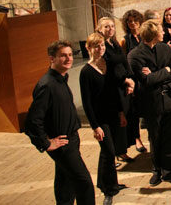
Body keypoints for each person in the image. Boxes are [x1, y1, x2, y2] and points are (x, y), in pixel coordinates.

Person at [25, 40, 95, 205]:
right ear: (52, 59)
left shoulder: (61, 79)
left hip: (70, 139)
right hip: (62, 143)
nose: (68, 59)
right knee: (84, 183)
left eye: (70, 55)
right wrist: (45, 143)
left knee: (65, 182)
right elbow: (32, 121)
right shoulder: (47, 85)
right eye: (63, 55)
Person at [127, 20, 171, 186]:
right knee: (155, 138)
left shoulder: (164, 48)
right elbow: (146, 81)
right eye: (160, 30)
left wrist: (156, 74)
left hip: (169, 99)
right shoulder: (134, 55)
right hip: (151, 102)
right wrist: (165, 71)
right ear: (152, 34)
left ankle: (169, 171)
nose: (163, 32)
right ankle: (157, 171)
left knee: (169, 137)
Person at [80, 33, 128, 205]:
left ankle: (108, 183)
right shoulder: (86, 72)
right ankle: (108, 190)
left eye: (101, 45)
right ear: (88, 48)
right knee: (108, 151)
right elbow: (87, 102)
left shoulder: (108, 64)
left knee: (110, 151)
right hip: (100, 119)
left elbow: (115, 92)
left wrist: (121, 113)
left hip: (113, 114)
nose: (99, 49)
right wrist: (95, 126)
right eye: (95, 46)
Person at [97, 17, 136, 164]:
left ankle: (121, 151)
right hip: (112, 88)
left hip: (123, 86)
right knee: (116, 122)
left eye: (112, 26)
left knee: (123, 121)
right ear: (99, 28)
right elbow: (107, 71)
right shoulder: (101, 46)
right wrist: (124, 80)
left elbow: (124, 61)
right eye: (106, 27)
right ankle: (112, 154)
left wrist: (130, 79)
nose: (110, 29)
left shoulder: (113, 42)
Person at [119, 9, 147, 153]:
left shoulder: (144, 36)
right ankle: (137, 138)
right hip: (134, 78)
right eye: (129, 21)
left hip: (146, 75)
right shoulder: (125, 40)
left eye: (135, 21)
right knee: (134, 111)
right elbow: (123, 62)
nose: (133, 24)